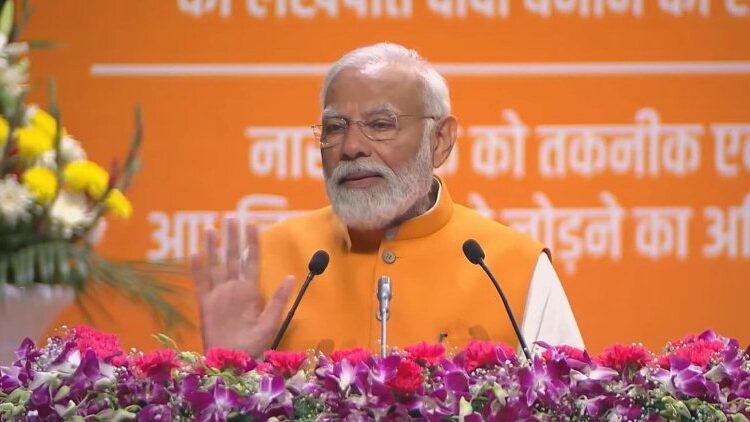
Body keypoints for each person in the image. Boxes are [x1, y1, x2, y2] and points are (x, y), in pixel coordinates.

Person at [191, 42, 584, 357]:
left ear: (440, 141)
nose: (352, 147)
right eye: (334, 127)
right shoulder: (271, 262)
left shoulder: (511, 267)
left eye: (381, 125)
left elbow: (566, 404)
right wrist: (229, 370)